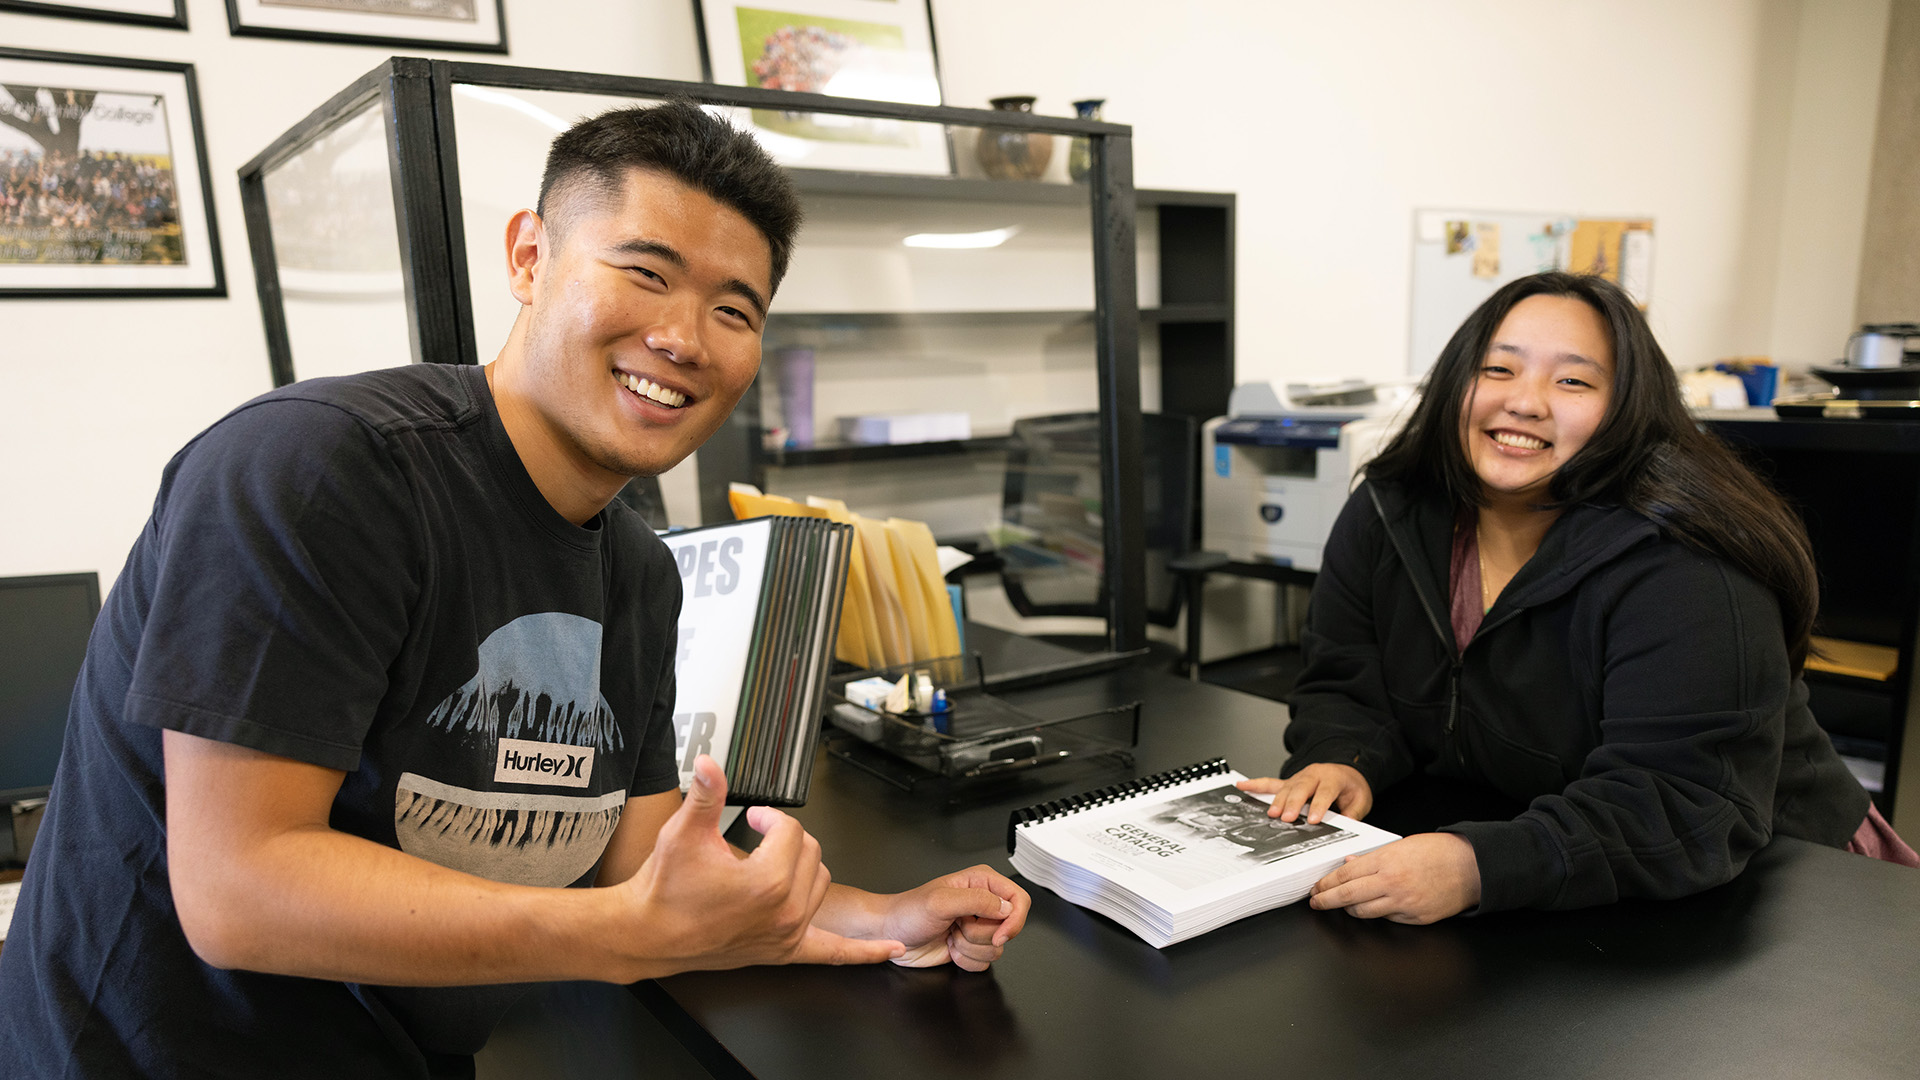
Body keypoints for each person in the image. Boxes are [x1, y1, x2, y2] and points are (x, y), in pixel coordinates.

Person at [0, 101, 1030, 1076]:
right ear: (530, 258)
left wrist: (877, 917)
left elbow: (644, 862)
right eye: (646, 272)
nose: (684, 337)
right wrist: (618, 938)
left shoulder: (634, 570)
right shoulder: (317, 472)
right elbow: (238, 887)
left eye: (733, 309)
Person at [1237, 271, 1914, 926]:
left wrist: (1479, 866)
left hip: (1787, 894)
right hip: (1574, 868)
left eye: (1573, 381)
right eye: (1498, 370)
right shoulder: (1391, 510)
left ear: (1627, 409)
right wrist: (1342, 756)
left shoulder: (1688, 565)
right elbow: (1345, 683)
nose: (1526, 402)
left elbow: (1680, 804)